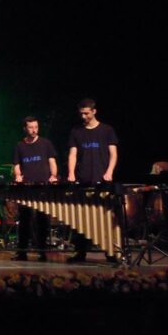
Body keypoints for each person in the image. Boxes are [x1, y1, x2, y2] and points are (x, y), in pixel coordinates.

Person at [65, 98, 119, 263]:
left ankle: (110, 252)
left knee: (105, 218)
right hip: (83, 179)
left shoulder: (107, 130)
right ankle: (80, 252)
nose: (83, 117)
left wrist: (109, 172)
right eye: (81, 113)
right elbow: (73, 154)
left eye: (86, 113)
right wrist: (71, 173)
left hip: (103, 180)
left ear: (94, 111)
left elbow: (113, 154)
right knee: (81, 218)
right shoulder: (76, 131)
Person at [11, 116, 58, 262]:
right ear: (25, 129)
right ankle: (22, 252)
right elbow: (17, 165)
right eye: (31, 127)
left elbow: (52, 161)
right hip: (26, 188)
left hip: (42, 187)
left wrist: (53, 175)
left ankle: (42, 252)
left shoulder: (46, 143)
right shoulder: (20, 145)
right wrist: (18, 175)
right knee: (24, 220)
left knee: (42, 220)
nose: (34, 130)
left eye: (36, 127)